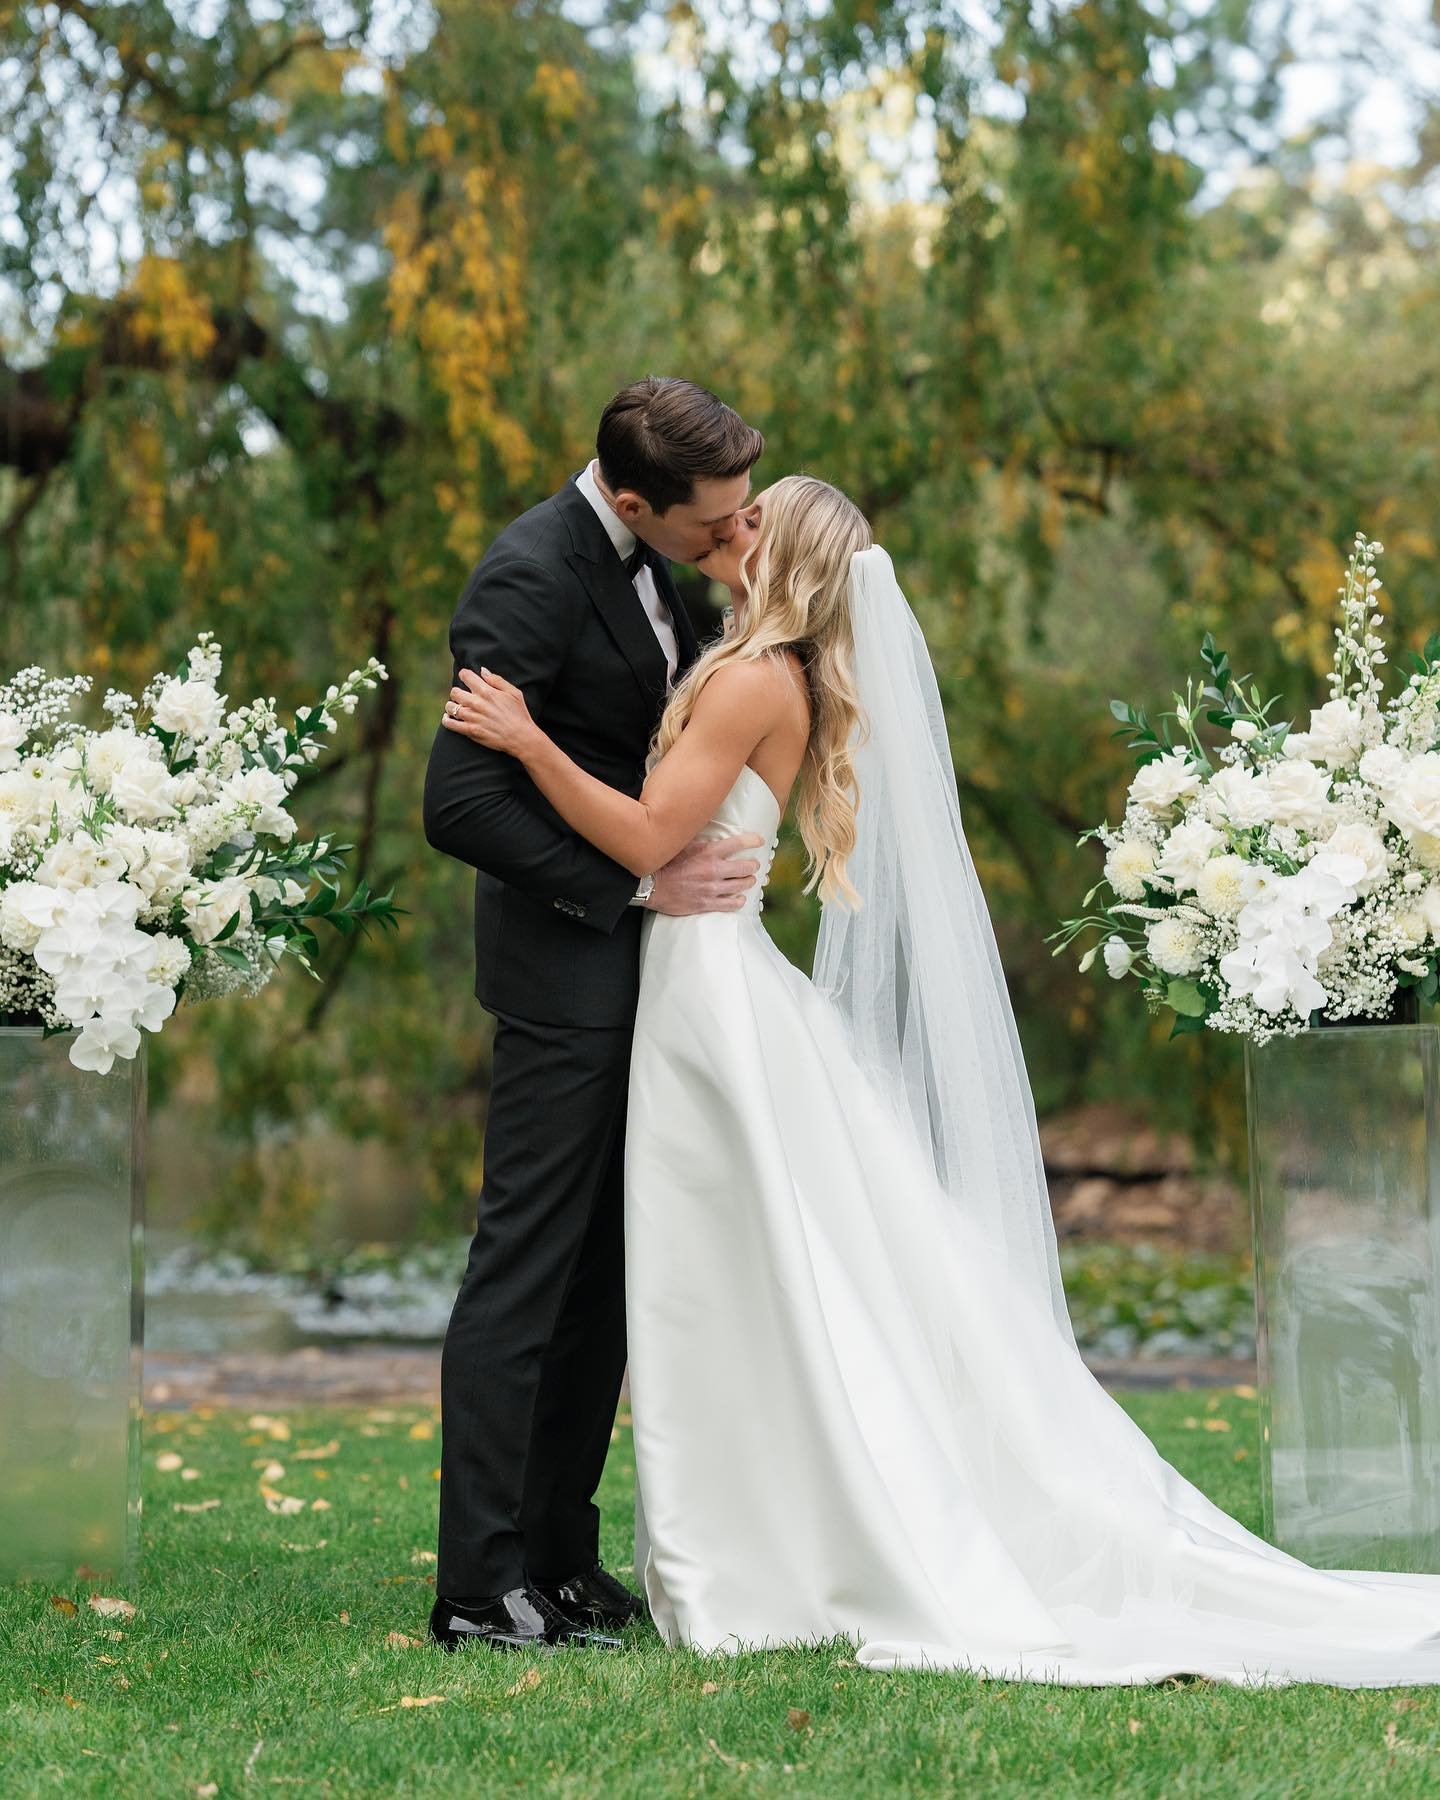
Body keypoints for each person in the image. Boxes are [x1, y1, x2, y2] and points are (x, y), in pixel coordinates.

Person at [440, 470, 1440, 1685]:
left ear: (790, 557)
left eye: (754, 520)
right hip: (703, 982)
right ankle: (734, 1525)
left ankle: (760, 1538)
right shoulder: (771, 669)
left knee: (738, 1268)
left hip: (707, 990)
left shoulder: (755, 677)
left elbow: (653, 840)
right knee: (749, 1272)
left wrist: (527, 737)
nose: (730, 527)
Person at [421, 377, 766, 1652]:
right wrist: (634, 884)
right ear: (631, 499)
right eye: (711, 521)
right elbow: (458, 806)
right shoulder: (530, 574)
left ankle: (560, 1557)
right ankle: (477, 1585)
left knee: (602, 1286)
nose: (729, 538)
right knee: (525, 1274)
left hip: (652, 984)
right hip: (565, 979)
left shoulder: (658, 567)